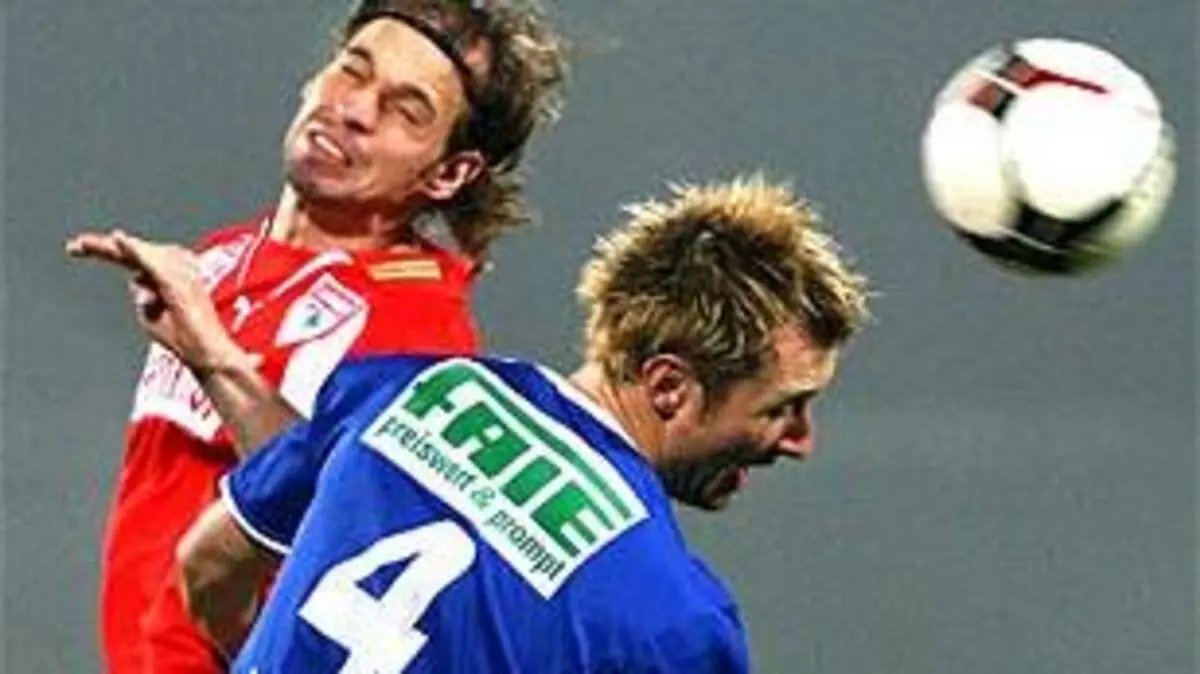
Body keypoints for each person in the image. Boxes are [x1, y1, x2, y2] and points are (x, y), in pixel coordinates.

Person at [176, 176, 872, 672]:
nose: (801, 439)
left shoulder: (397, 387)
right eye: (780, 407)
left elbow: (207, 567)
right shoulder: (673, 624)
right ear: (669, 387)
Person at [66, 2, 567, 672]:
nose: (354, 109)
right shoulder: (221, 257)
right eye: (353, 71)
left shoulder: (420, 328)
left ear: (447, 173)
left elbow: (355, 520)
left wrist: (214, 358)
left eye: (405, 111)